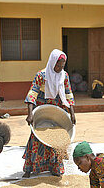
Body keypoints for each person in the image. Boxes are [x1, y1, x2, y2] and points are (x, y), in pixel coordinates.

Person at [23, 49, 76, 178]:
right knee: (36, 140)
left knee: (57, 142)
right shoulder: (42, 75)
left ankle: (55, 168)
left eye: (62, 66)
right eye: (57, 66)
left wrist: (72, 113)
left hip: (57, 111)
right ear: (52, 62)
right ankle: (29, 169)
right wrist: (30, 114)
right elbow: (32, 94)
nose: (59, 68)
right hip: (42, 110)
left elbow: (68, 94)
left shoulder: (64, 76)